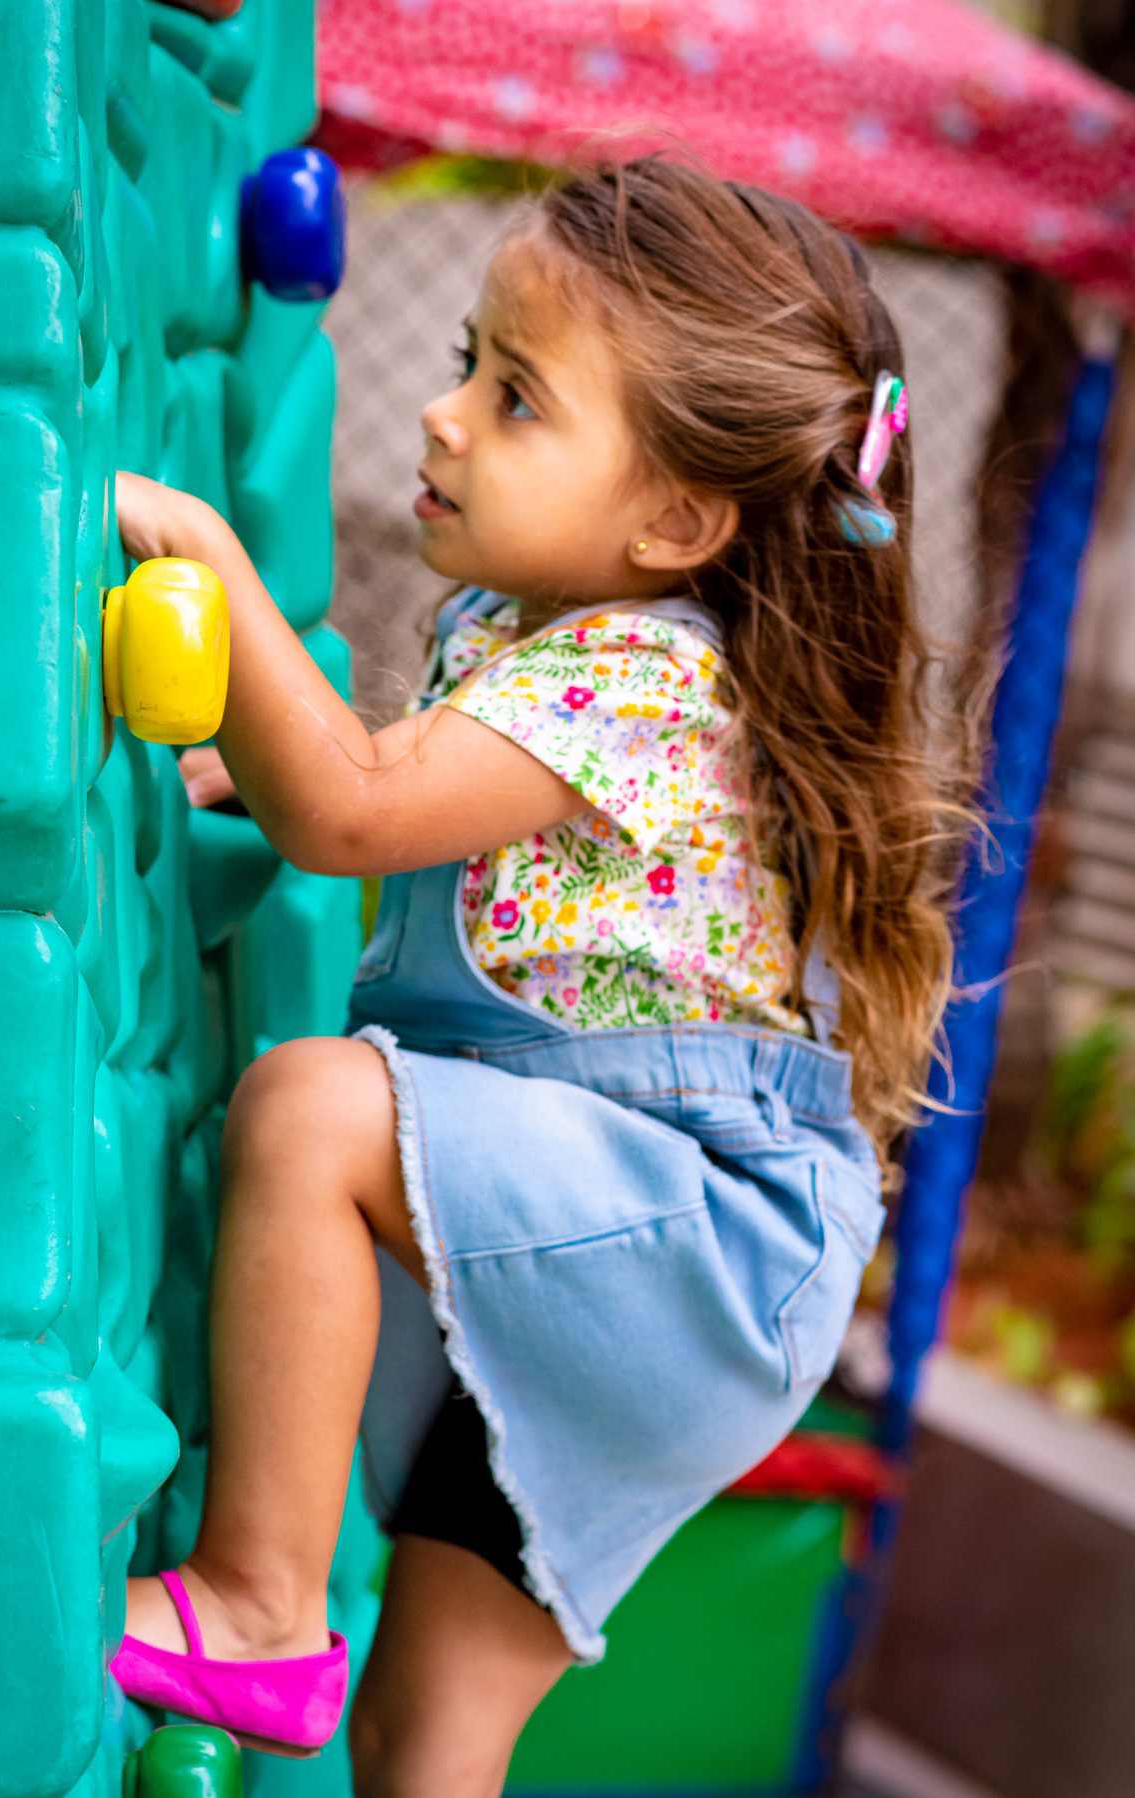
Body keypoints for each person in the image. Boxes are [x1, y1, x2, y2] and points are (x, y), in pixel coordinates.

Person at [113, 158, 963, 1791]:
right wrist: (257, 760)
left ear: (675, 521)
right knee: (432, 1732)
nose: (443, 419)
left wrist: (207, 561)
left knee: (312, 1106)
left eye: (517, 401)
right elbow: (421, 787)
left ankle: (259, 1600)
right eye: (464, 367)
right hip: (635, 1249)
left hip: (678, 1238)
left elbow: (357, 813)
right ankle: (291, 1624)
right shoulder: (529, 630)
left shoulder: (644, 671)